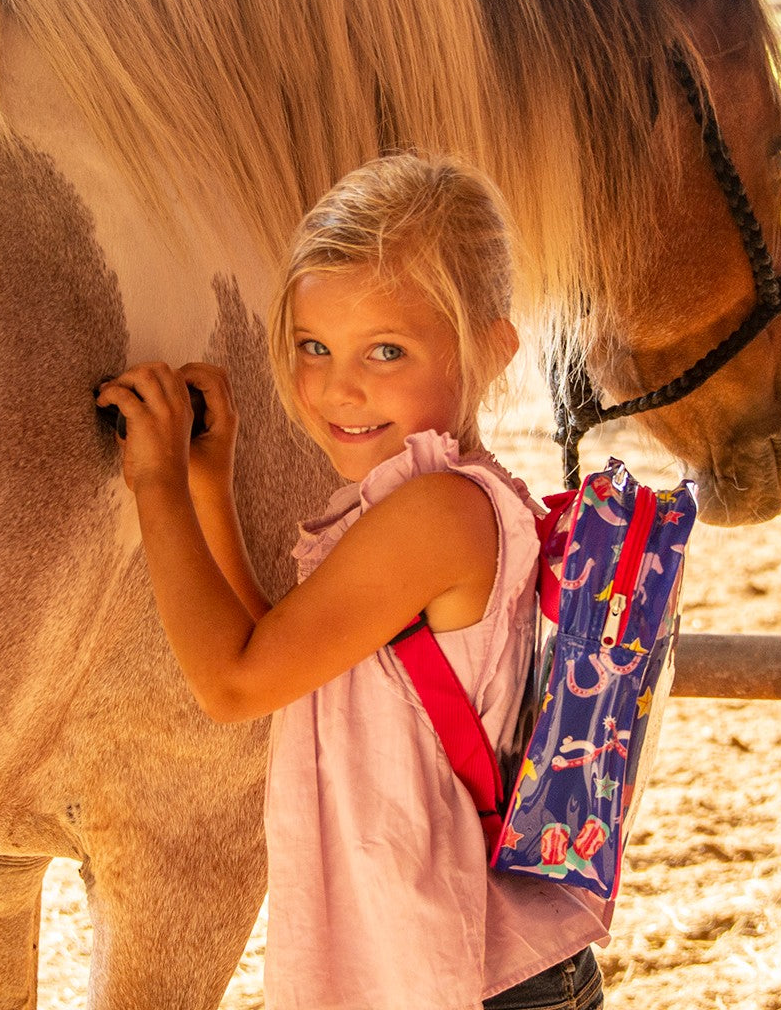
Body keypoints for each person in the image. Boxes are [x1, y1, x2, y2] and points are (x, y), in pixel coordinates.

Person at [96, 153, 610, 1010]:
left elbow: (235, 682)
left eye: (386, 350)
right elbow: (295, 658)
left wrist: (156, 488)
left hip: (467, 975)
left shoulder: (437, 515)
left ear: (491, 348)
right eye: (313, 346)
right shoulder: (411, 501)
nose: (339, 385)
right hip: (444, 962)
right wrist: (211, 490)